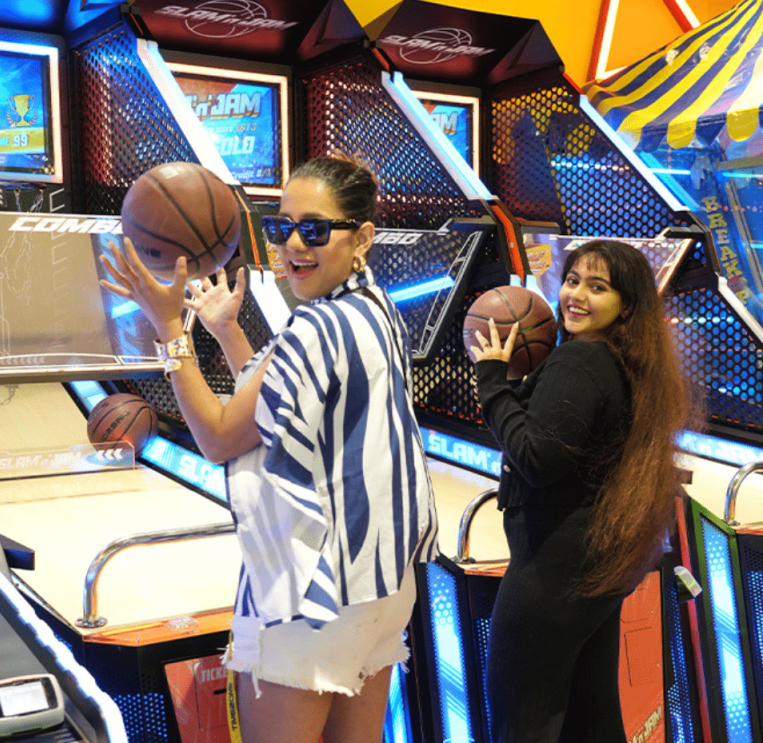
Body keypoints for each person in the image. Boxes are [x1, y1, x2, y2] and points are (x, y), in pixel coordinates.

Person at [100, 155, 438, 743]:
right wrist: (227, 331)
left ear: (362, 237)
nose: (292, 246)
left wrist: (170, 328)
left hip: (313, 590)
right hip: (380, 583)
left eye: (315, 229)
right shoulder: (372, 309)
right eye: (282, 227)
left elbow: (218, 436)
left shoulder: (314, 328)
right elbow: (278, 404)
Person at [469, 239, 688, 743]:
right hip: (595, 561)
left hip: (552, 569)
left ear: (626, 305)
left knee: (522, 720)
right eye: (572, 281)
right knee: (591, 719)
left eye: (598, 287)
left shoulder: (581, 361)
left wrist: (491, 381)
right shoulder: (622, 361)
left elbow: (537, 459)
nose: (577, 295)